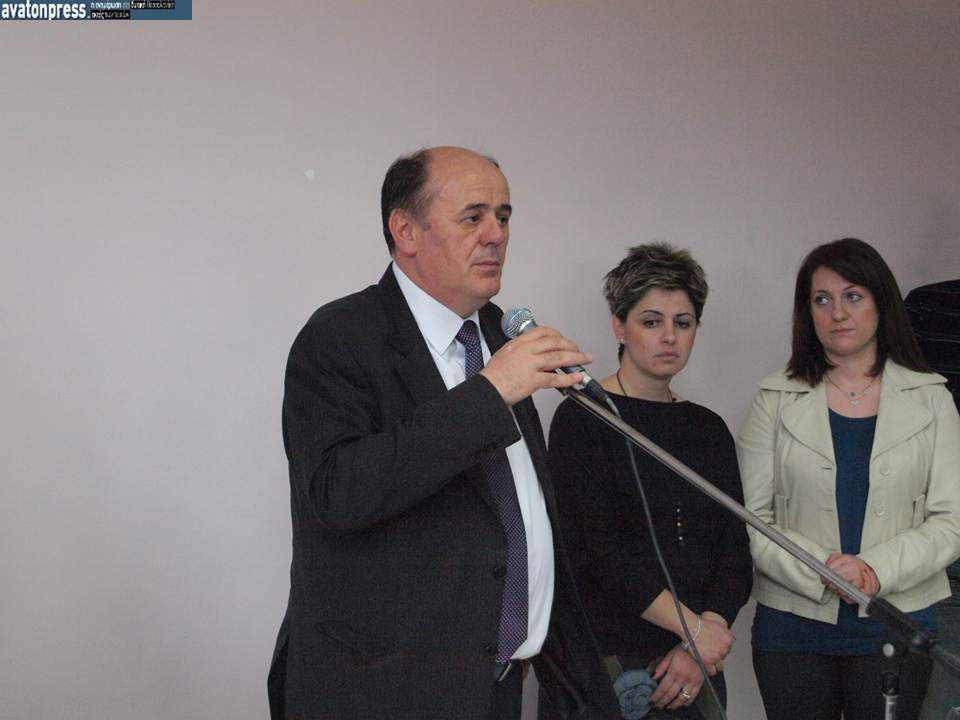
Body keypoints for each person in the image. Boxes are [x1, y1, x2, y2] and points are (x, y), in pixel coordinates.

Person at [267, 146, 619, 720]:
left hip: (496, 685)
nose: (496, 235)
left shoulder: (499, 336)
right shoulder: (340, 336)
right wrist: (489, 393)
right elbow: (336, 494)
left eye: (503, 216)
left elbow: (518, 514)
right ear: (406, 230)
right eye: (472, 217)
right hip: (382, 694)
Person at [737, 238, 960, 720]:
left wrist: (873, 570)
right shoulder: (773, 398)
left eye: (853, 296)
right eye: (822, 299)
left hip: (896, 623)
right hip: (792, 628)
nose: (837, 312)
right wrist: (822, 568)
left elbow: (951, 521)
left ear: (881, 303)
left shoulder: (933, 399)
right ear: (807, 312)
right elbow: (750, 519)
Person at [545, 243, 753, 719]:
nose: (669, 337)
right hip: (612, 659)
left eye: (684, 323)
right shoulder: (583, 418)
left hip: (696, 664)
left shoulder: (709, 429)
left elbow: (734, 549)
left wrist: (703, 639)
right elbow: (596, 551)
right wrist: (693, 631)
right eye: (651, 321)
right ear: (619, 326)